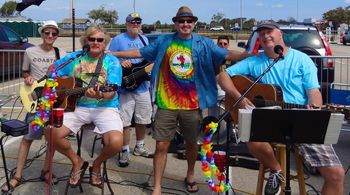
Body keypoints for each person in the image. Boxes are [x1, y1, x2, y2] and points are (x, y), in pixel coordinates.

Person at [110, 6, 248, 194]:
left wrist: (252, 54)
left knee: (192, 144)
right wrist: (114, 54)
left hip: (192, 105)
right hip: (166, 103)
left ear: (194, 23)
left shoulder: (203, 43)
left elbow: (228, 54)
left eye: (189, 21)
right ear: (175, 23)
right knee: (161, 145)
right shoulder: (164, 41)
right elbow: (140, 53)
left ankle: (190, 175)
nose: (185, 24)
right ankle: (157, 186)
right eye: (181, 21)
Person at [217, 20, 345, 195]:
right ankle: (277, 172)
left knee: (336, 175)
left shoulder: (302, 59)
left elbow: (314, 92)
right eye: (261, 34)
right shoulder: (256, 61)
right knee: (251, 137)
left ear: (280, 34)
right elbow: (222, 76)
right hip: (270, 120)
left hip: (300, 119)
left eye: (269, 32)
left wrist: (315, 106)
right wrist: (239, 98)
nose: (265, 36)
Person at [45, 24, 123, 188]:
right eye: (92, 39)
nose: (95, 42)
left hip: (105, 107)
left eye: (99, 40)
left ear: (105, 42)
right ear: (85, 40)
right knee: (51, 132)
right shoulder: (74, 57)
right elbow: (52, 71)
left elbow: (112, 92)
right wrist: (68, 82)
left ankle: (96, 164)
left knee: (116, 142)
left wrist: (101, 94)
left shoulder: (112, 62)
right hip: (77, 106)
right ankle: (77, 162)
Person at [1, 20, 62, 193]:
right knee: (27, 138)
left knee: (52, 139)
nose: (50, 36)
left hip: (54, 101)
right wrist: (27, 77)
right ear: (42, 33)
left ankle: (46, 171)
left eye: (54, 33)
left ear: (57, 35)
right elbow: (25, 71)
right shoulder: (30, 51)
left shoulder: (61, 53)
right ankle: (17, 176)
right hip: (37, 102)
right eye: (46, 33)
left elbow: (65, 76)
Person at [108, 12, 153, 168]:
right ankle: (124, 149)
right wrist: (120, 61)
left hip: (143, 86)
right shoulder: (118, 40)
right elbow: (109, 57)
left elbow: (148, 58)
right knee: (125, 121)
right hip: (126, 87)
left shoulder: (144, 39)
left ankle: (139, 146)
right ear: (126, 24)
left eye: (138, 22)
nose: (135, 25)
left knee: (143, 119)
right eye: (132, 22)